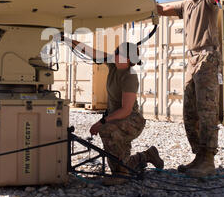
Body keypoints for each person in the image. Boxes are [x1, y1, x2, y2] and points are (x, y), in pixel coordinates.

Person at [62, 36, 164, 185]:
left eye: (120, 54)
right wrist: (68, 40)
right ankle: (146, 156)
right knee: (113, 144)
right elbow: (90, 51)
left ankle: (121, 174)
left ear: (129, 59)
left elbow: (125, 110)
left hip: (132, 119)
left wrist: (101, 121)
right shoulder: (113, 64)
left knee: (108, 129)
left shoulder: (130, 76)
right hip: (118, 117)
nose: (115, 55)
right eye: (116, 52)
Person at [156, 0, 221, 178]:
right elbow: (161, 10)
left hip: (207, 58)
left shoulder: (208, 0)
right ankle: (198, 155)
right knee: (189, 113)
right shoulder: (186, 6)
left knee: (207, 111)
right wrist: (141, 0)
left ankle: (208, 160)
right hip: (192, 60)